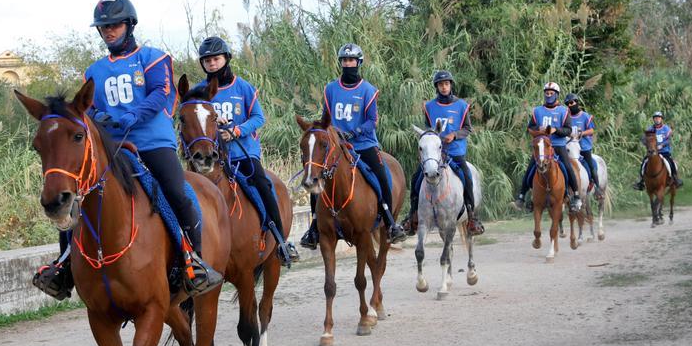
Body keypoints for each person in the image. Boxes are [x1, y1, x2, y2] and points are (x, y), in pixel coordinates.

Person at [33, 0, 224, 300]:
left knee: (178, 193)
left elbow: (162, 91)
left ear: (129, 25)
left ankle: (194, 262)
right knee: (77, 195)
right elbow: (84, 110)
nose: (109, 31)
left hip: (153, 143)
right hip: (112, 148)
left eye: (115, 25)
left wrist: (132, 115)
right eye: (104, 27)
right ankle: (63, 267)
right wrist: (97, 116)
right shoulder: (94, 71)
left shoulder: (154, 58)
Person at [193, 36, 299, 267]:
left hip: (243, 152)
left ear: (226, 59)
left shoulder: (242, 87)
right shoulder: (199, 91)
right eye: (207, 61)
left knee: (262, 184)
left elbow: (258, 117)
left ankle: (281, 240)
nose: (212, 64)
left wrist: (236, 131)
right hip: (213, 158)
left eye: (216, 59)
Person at [300, 43, 407, 250]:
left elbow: (371, 121)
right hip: (337, 145)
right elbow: (326, 118)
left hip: (363, 143)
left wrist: (354, 132)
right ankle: (314, 226)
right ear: (340, 63)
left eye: (351, 61)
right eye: (344, 60)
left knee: (381, 173)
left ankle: (390, 221)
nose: (347, 64)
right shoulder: (331, 89)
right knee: (316, 176)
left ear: (358, 63)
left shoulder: (368, 90)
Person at [401, 70, 483, 235]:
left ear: (450, 85)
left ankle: (471, 217)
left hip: (455, 151)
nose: (444, 87)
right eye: (440, 84)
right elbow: (428, 129)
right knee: (416, 177)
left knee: (466, 176)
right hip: (435, 153)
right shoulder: (429, 106)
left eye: (446, 84)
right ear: (437, 87)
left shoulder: (461, 105)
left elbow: (468, 128)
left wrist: (455, 135)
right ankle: (412, 216)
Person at [514, 81, 580, 210]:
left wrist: (556, 130)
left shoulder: (563, 111)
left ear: (556, 95)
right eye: (546, 93)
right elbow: (530, 128)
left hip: (558, 144)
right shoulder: (537, 111)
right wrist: (539, 130)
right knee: (531, 168)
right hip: (542, 146)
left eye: (551, 93)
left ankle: (576, 196)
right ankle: (522, 196)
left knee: (568, 167)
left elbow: (568, 130)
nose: (548, 95)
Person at [633, 111, 683, 189]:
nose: (657, 120)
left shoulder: (666, 129)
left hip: (664, 152)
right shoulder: (650, 129)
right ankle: (641, 181)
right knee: (644, 162)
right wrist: (647, 144)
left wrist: (662, 145)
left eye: (659, 118)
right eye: (655, 118)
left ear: (661, 119)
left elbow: (669, 140)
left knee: (671, 163)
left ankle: (675, 178)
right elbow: (643, 138)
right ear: (653, 119)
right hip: (653, 152)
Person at [564, 93, 601, 197]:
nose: (570, 105)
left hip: (583, 147)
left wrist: (582, 133)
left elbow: (591, 130)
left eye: (571, 102)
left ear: (577, 102)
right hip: (570, 147)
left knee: (591, 163)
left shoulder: (585, 116)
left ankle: (597, 189)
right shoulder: (566, 117)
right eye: (567, 104)